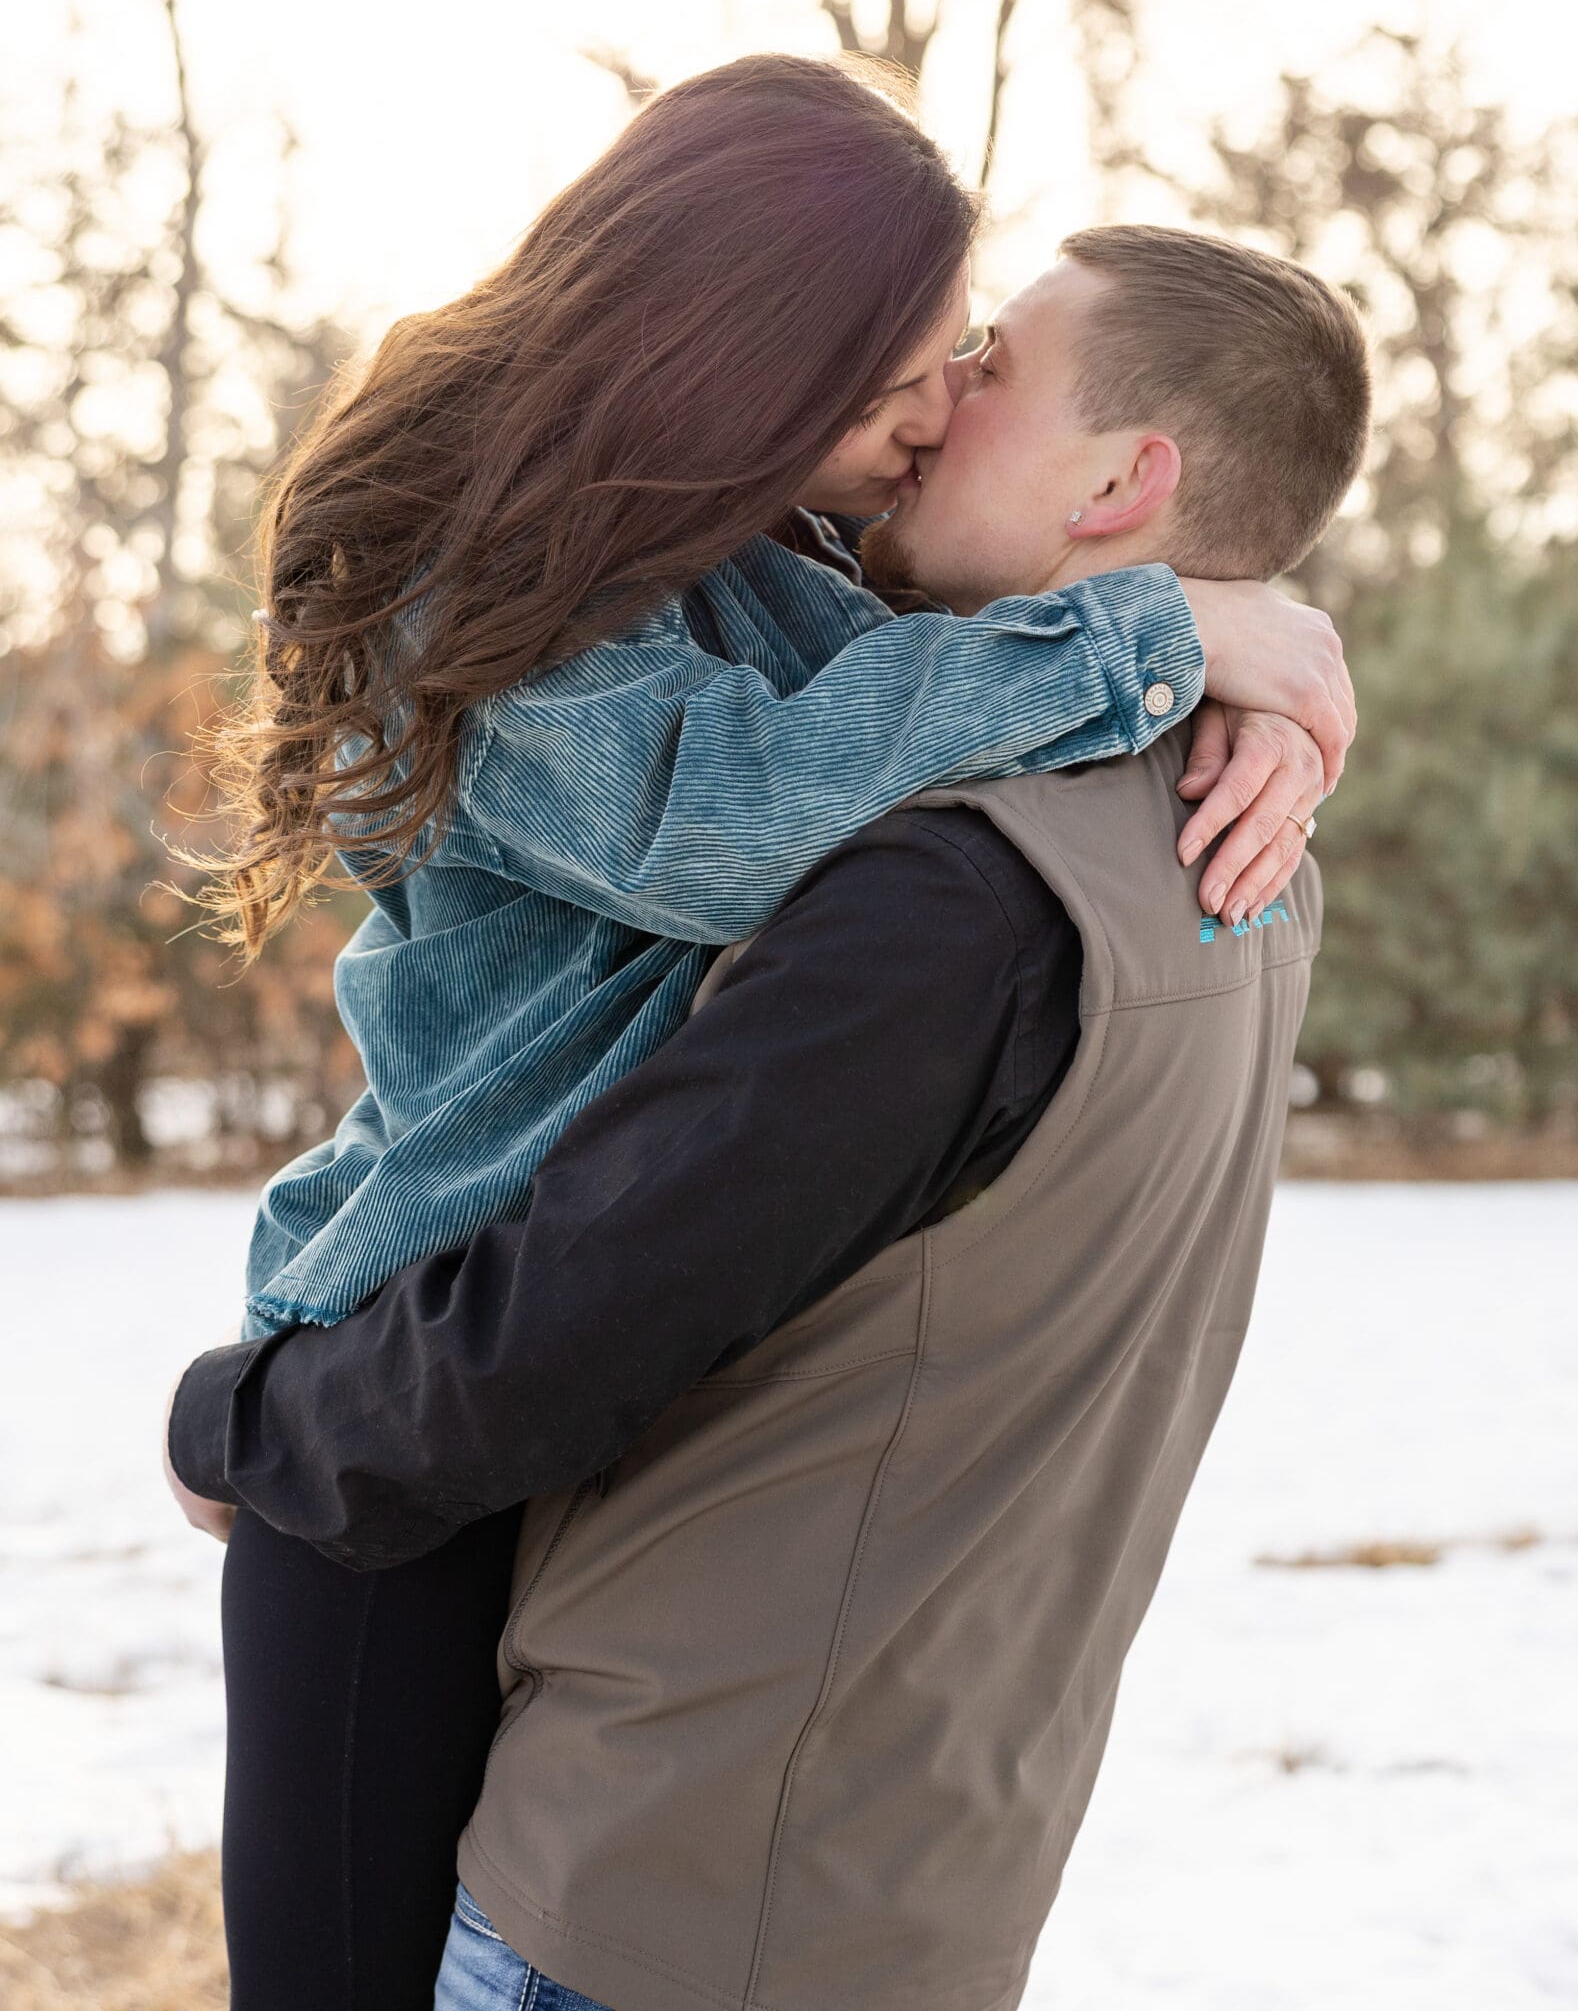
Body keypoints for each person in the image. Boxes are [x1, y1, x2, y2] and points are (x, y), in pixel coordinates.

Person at [169, 219, 1370, 2011]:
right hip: (473, 1456)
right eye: (921, 360)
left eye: (987, 366)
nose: (947, 398)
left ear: (1127, 477)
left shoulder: (958, 890)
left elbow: (585, 1306)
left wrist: (240, 1427)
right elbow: (731, 794)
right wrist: (1194, 630)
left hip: (668, 1785)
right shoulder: (1215, 848)